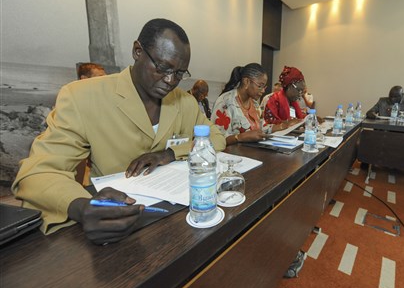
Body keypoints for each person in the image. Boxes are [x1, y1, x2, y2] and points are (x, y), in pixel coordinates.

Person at [12, 18, 226, 245]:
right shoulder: (82, 96)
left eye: (180, 73)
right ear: (137, 51)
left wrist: (169, 154)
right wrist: (82, 207)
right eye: (163, 68)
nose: (170, 80)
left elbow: (217, 137)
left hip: (176, 226)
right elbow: (37, 174)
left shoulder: (185, 102)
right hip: (113, 227)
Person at [211, 63, 289, 146]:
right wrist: (240, 137)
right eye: (260, 86)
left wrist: (284, 126)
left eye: (264, 87)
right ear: (246, 82)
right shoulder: (225, 102)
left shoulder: (255, 104)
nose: (263, 91)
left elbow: (261, 128)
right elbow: (217, 139)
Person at [76, 63, 108, 186]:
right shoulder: (73, 100)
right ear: (84, 79)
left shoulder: (102, 98)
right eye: (100, 77)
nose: (105, 81)